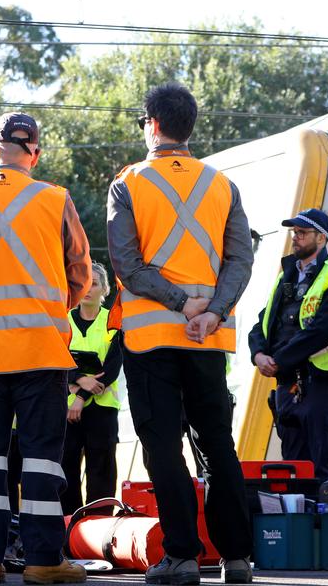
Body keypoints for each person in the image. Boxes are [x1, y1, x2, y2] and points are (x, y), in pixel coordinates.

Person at [107, 83, 254, 586]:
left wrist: (177, 302)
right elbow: (240, 258)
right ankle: (237, 559)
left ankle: (182, 557)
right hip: (207, 339)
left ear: (151, 124)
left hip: (152, 339)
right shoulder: (222, 184)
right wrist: (213, 310)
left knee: (164, 447)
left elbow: (125, 263)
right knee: (216, 444)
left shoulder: (129, 182)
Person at [0, 111, 91, 585]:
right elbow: (81, 274)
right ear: (36, 154)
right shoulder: (55, 199)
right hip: (40, 352)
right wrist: (48, 308)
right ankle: (42, 561)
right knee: (41, 460)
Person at [248, 208, 328, 481]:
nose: (295, 238)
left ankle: (325, 523)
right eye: (294, 233)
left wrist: (279, 360)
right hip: (287, 387)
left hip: (320, 384)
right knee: (293, 470)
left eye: (302, 233)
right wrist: (258, 354)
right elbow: (263, 322)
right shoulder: (286, 278)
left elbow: (324, 330)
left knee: (322, 469)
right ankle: (299, 522)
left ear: (321, 239)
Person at [61, 262, 124, 516]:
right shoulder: (63, 320)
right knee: (66, 471)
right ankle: (69, 531)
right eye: (84, 284)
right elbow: (55, 358)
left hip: (102, 409)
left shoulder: (113, 321)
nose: (88, 289)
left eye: (94, 284)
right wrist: (78, 380)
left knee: (102, 471)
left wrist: (82, 394)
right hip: (66, 411)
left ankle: (99, 529)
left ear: (104, 290)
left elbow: (112, 366)